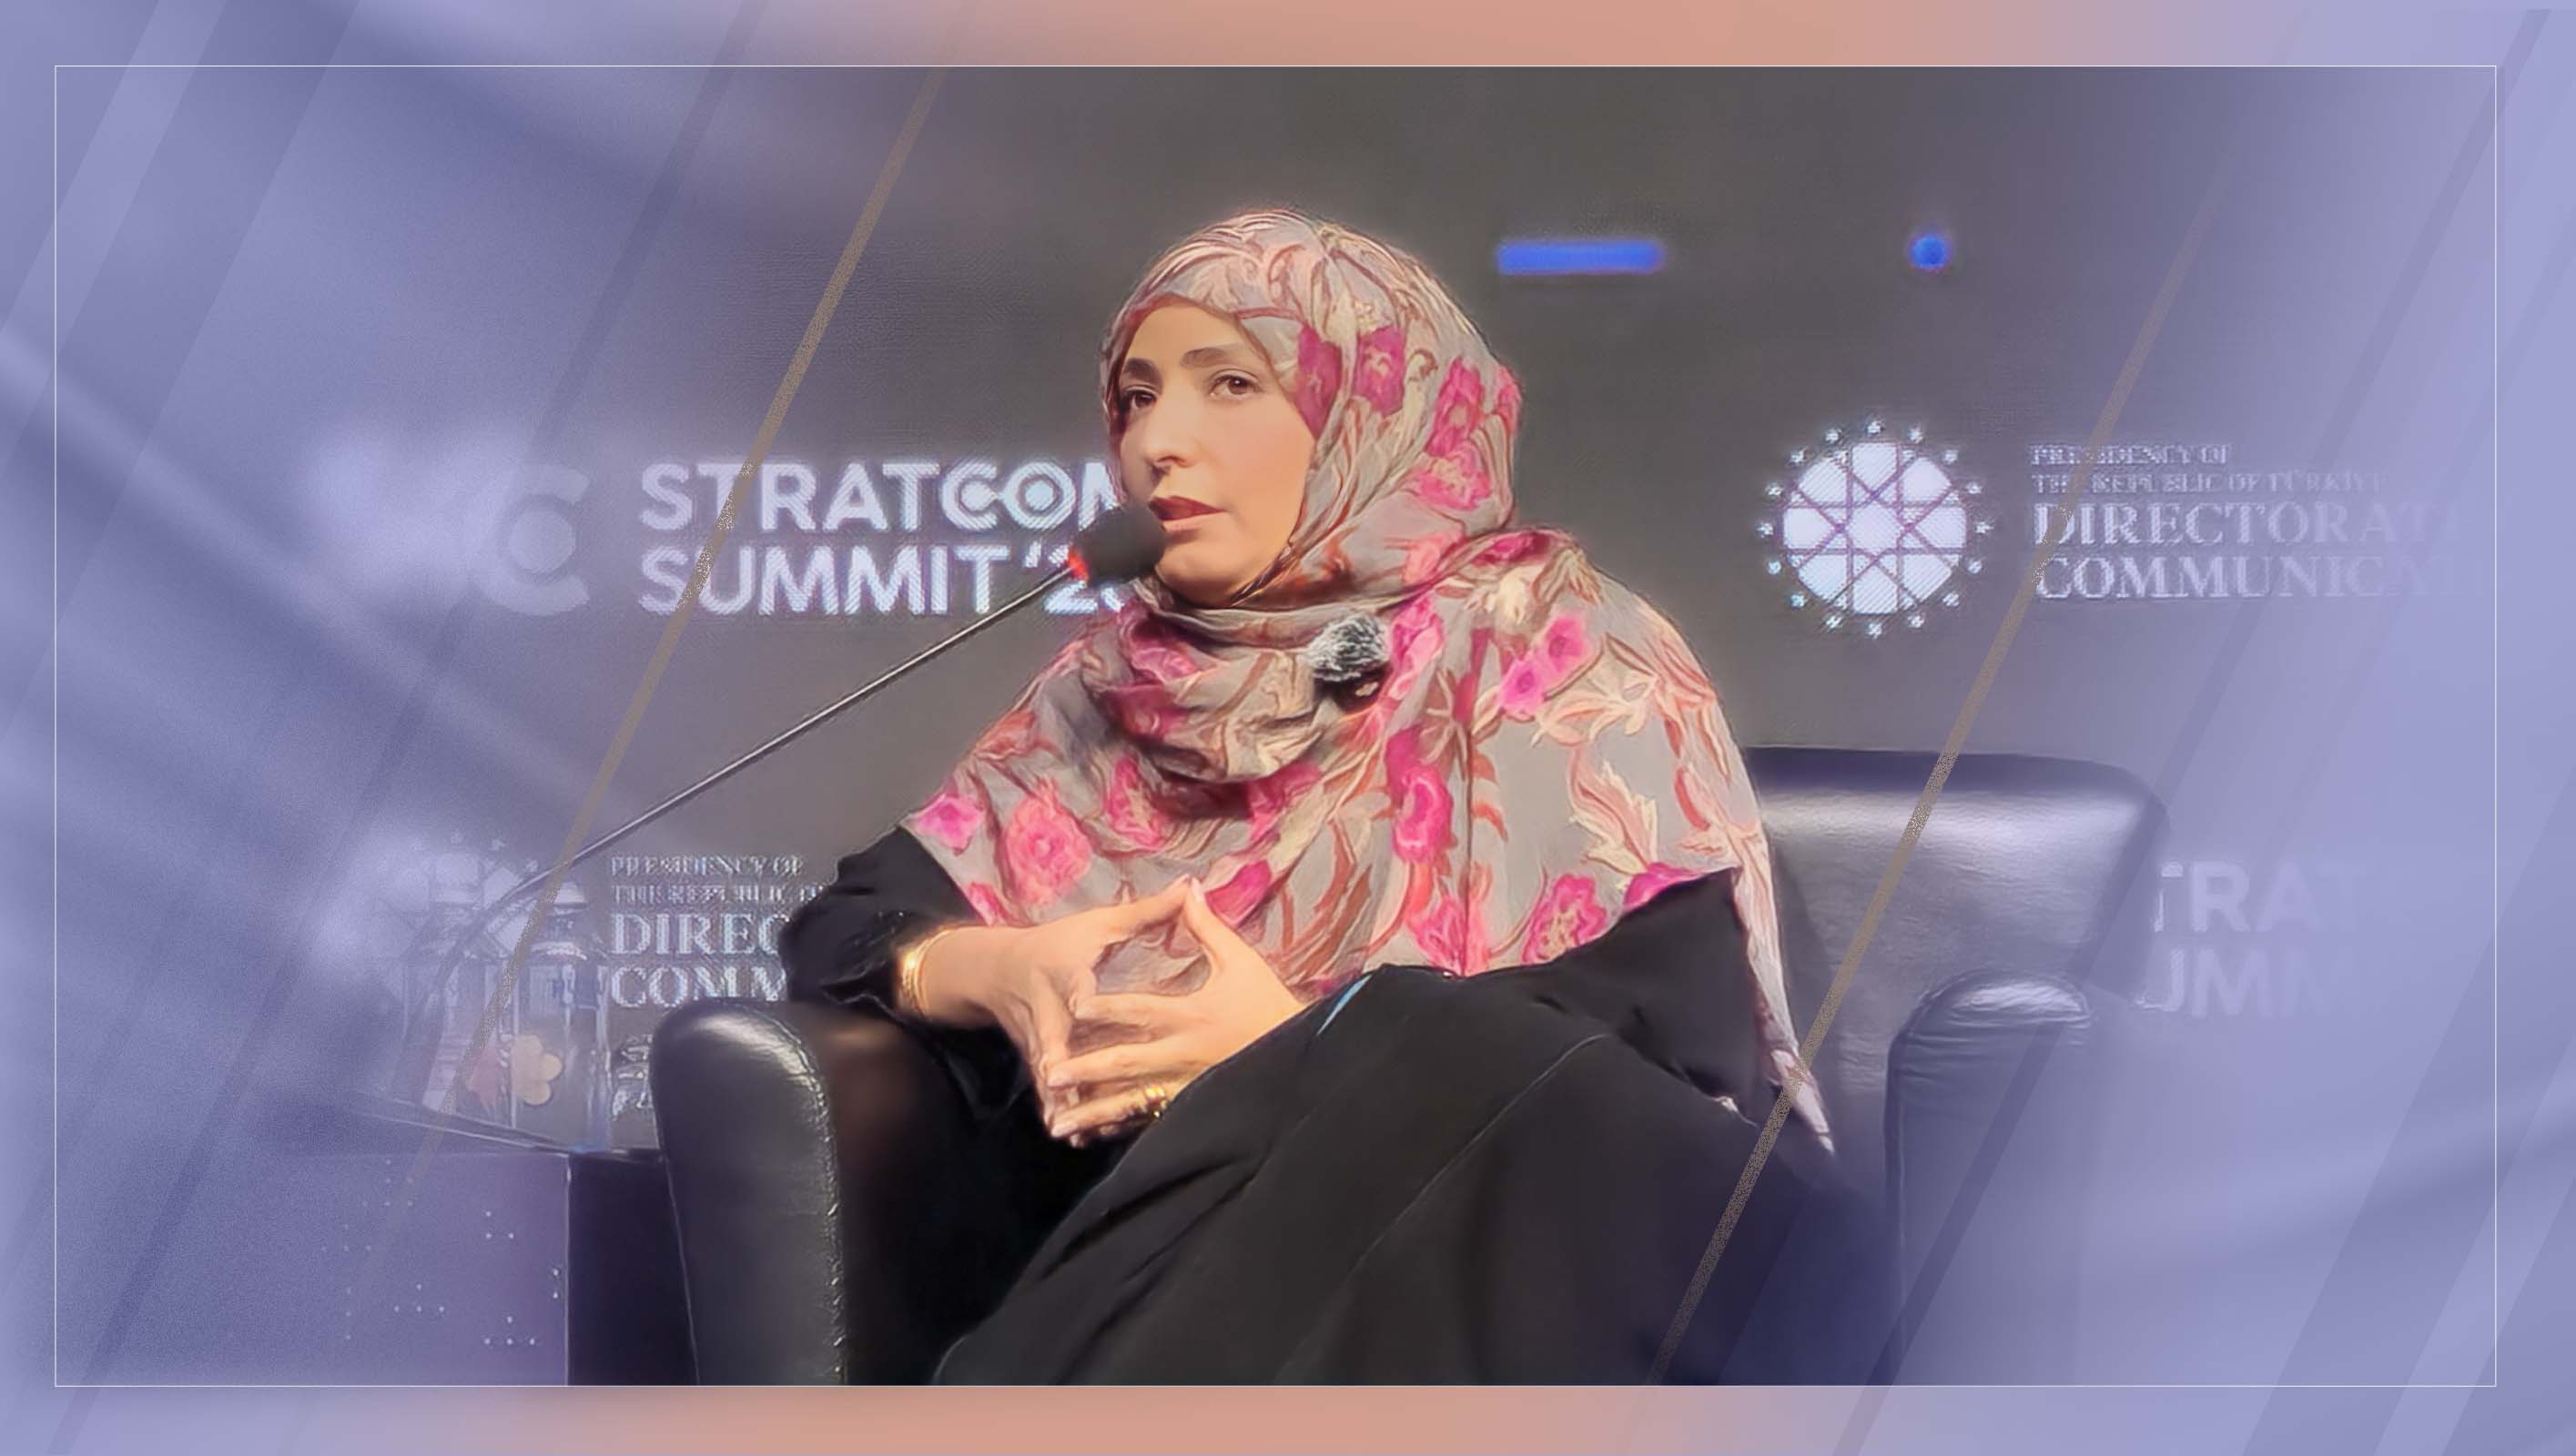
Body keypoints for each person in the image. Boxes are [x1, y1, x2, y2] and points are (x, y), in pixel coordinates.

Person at [780, 207, 1841, 1383]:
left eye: (1230, 384)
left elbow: (1670, 1035)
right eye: (1135, 398)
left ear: (1370, 411)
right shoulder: (1097, 698)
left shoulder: (1562, 643)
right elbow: (844, 929)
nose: (1157, 443)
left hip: (1571, 1250)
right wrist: (998, 968)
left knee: (1421, 1040)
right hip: (1242, 1268)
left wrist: (1302, 1050)